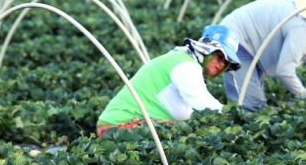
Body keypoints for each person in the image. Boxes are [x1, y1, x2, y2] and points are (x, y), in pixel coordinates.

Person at [96, 25, 241, 137]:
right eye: (219, 57)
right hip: (117, 127)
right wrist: (235, 117)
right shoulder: (186, 65)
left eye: (226, 62)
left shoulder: (184, 59)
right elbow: (203, 104)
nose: (221, 64)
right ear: (207, 50)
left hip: (127, 124)